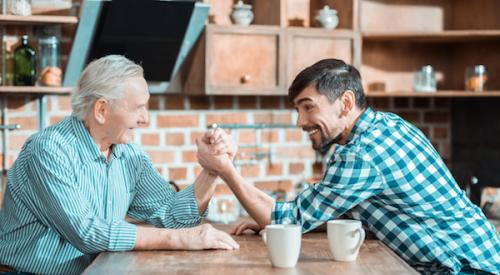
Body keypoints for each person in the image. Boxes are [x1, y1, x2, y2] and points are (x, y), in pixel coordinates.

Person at [196, 59, 500, 274]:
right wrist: (269, 220)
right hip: (480, 259)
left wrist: (225, 169)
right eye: (298, 109)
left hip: (463, 269)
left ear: (345, 102)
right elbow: (349, 210)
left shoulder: (360, 153)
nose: (300, 121)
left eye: (308, 107)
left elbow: (286, 220)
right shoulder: (389, 125)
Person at [0, 55, 239, 275]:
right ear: (101, 110)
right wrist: (182, 239)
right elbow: (87, 232)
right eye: (138, 108)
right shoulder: (49, 151)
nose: (145, 119)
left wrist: (211, 170)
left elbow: (172, 217)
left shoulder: (127, 154)